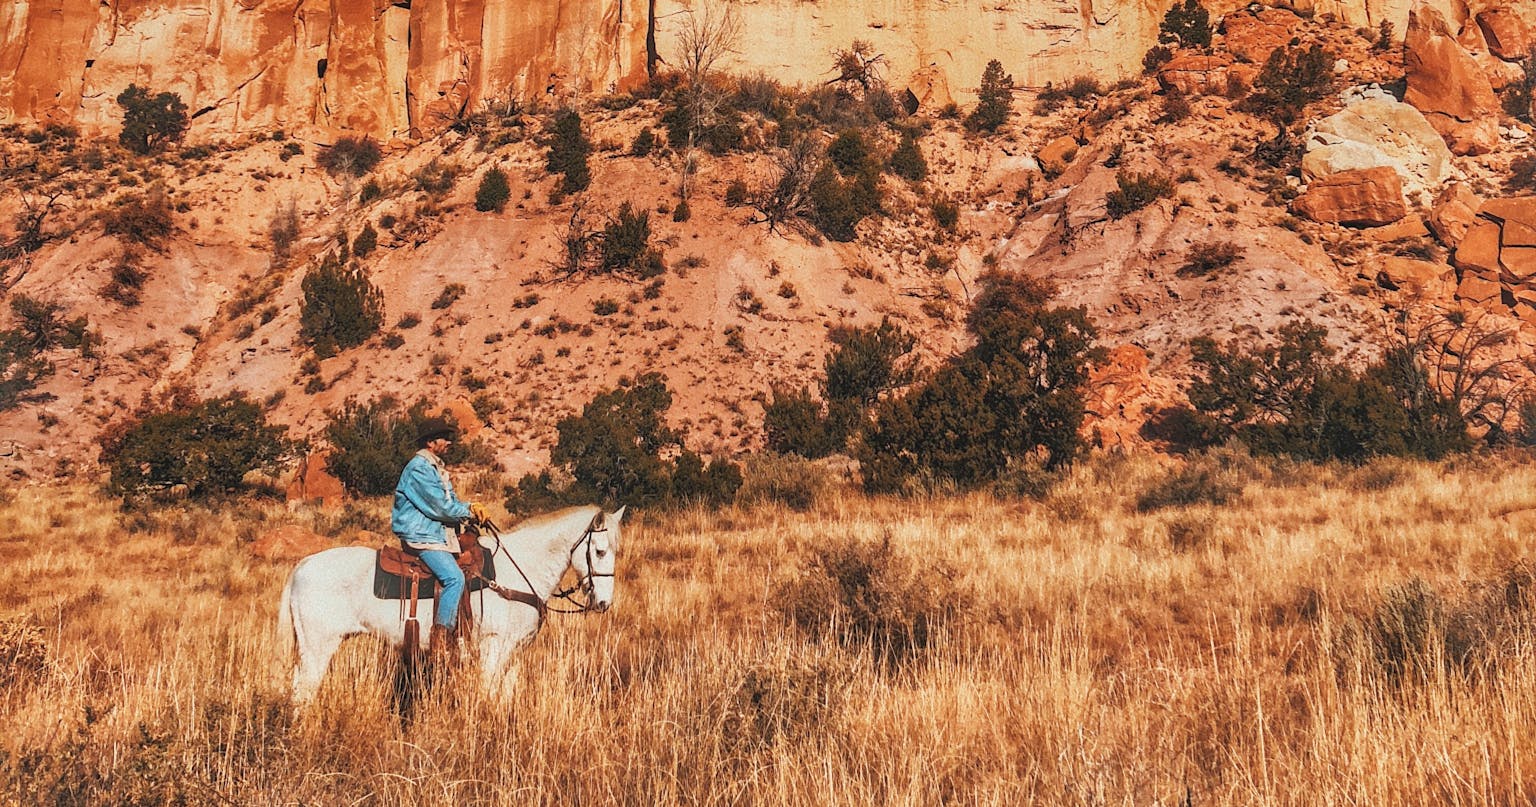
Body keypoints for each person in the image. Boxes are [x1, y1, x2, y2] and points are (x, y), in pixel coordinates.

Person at [391, 417, 487, 660]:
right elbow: (439, 507)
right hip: (422, 537)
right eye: (444, 437)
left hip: (436, 535)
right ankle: (440, 638)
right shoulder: (419, 468)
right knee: (454, 578)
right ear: (431, 442)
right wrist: (468, 510)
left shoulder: (436, 467)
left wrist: (471, 508)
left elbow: (451, 502)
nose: (449, 441)